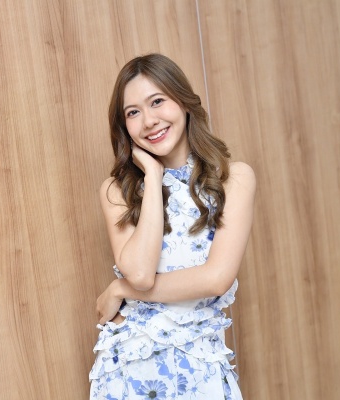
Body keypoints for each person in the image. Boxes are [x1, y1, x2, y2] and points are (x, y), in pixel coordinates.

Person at [89, 54, 256, 399]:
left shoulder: (233, 178)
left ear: (183, 101)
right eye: (133, 112)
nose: (149, 121)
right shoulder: (117, 191)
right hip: (128, 371)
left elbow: (216, 279)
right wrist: (153, 177)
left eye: (157, 101)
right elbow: (140, 274)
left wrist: (119, 290)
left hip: (200, 369)